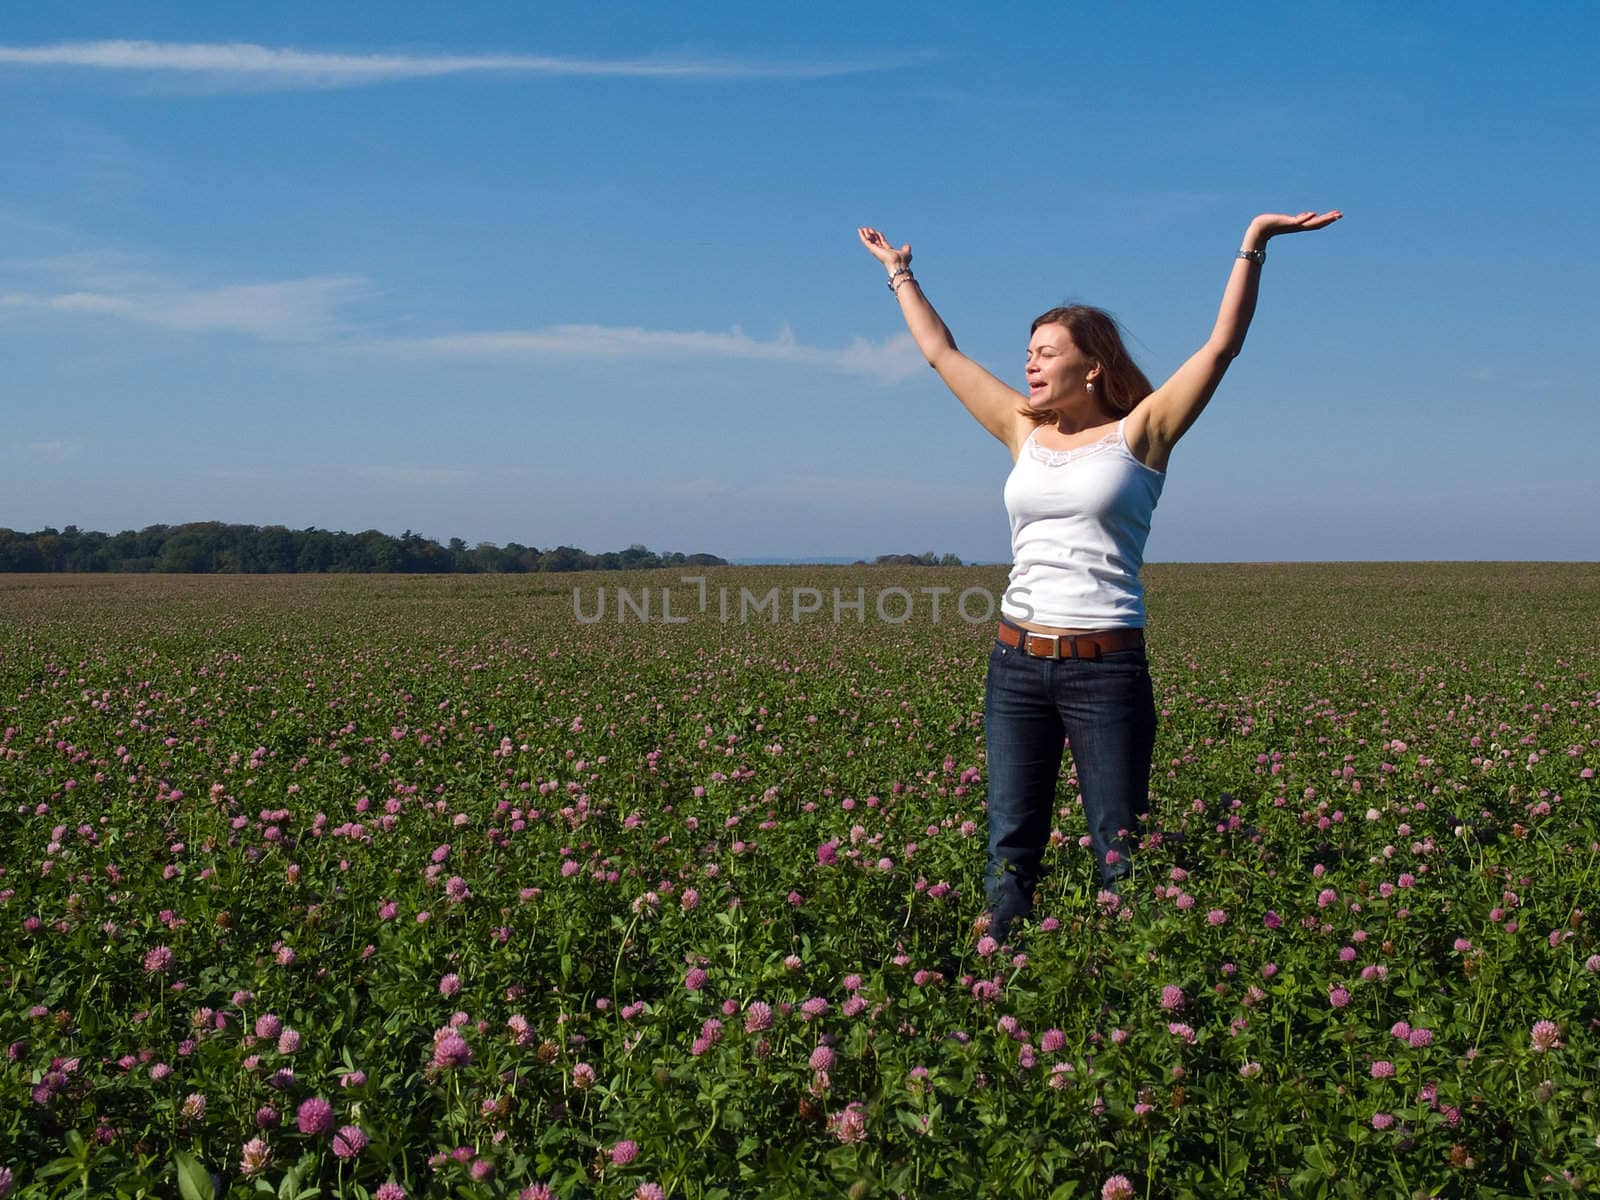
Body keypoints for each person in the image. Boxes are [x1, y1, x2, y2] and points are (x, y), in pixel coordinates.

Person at [857, 211, 1341, 942]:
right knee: (1009, 848)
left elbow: (1221, 348)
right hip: (1015, 664)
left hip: (1106, 669)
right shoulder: (1022, 430)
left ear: (1090, 365)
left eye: (1046, 352)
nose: (1029, 364)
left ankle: (1125, 990)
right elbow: (941, 355)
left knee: (1119, 848)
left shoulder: (1140, 434)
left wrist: (1254, 243)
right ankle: (1005, 979)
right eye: (1027, 351)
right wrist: (899, 273)